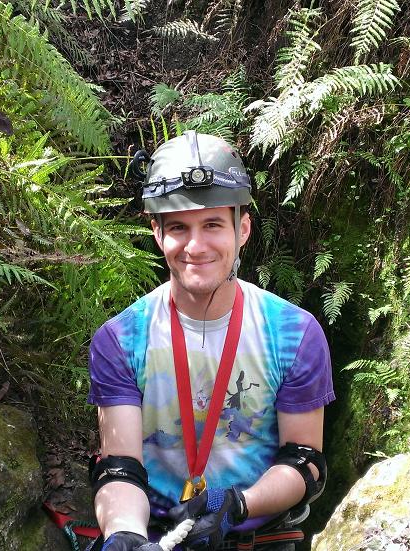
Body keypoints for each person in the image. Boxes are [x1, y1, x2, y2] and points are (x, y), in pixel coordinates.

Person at [87, 131, 334, 551]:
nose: (195, 246)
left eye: (213, 225)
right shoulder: (121, 339)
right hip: (158, 533)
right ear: (157, 233)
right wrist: (125, 534)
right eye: (179, 227)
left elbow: (304, 461)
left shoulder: (293, 333)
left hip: (257, 534)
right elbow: (120, 468)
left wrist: (236, 504)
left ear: (243, 229)